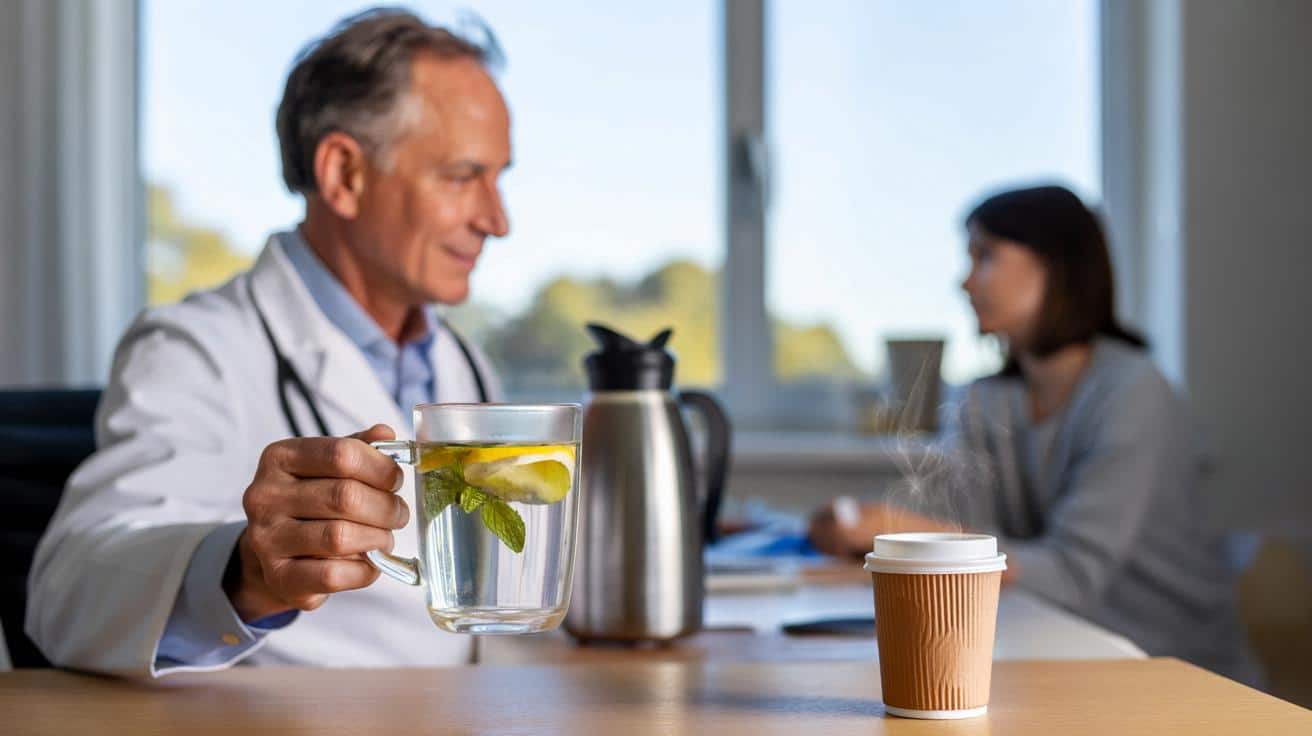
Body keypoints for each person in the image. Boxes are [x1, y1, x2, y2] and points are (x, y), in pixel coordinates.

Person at [27, 9, 511, 676]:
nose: (497, 219)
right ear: (344, 174)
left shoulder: (463, 364)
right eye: (463, 176)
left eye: (499, 177)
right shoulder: (196, 349)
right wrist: (244, 572)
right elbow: (69, 589)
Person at [809, 185, 1262, 685]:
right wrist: (868, 527)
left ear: (1055, 264)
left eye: (986, 256)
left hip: (1174, 674)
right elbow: (965, 527)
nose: (965, 282)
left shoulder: (1134, 394)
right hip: (1056, 654)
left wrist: (912, 531)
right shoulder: (985, 400)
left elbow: (1073, 575)